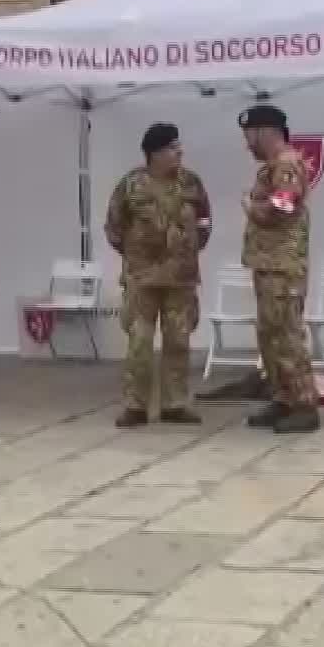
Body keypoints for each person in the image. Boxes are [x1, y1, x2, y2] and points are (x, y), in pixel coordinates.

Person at [104, 122, 212, 429]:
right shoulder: (131, 184)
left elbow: (205, 220)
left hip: (181, 278)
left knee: (178, 340)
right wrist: (135, 256)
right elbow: (114, 225)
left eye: (179, 146)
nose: (179, 152)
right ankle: (135, 406)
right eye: (172, 147)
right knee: (140, 341)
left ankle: (175, 404)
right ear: (154, 153)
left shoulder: (191, 182)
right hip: (143, 278)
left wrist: (191, 249)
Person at [237, 104, 320, 434]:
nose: (247, 144)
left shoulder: (286, 165)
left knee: (286, 336)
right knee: (270, 336)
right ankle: (284, 398)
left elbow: (285, 204)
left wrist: (251, 207)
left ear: (263, 132)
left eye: (249, 136)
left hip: (283, 267)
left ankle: (303, 405)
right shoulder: (271, 167)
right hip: (269, 265)